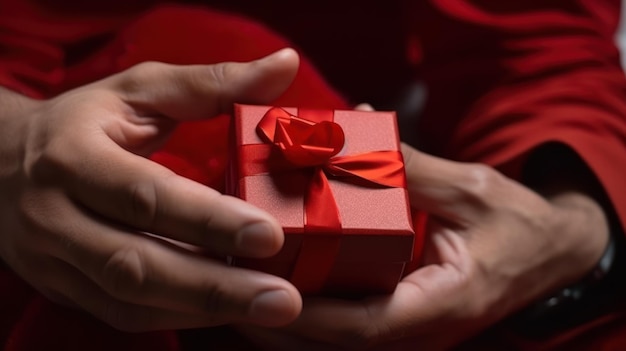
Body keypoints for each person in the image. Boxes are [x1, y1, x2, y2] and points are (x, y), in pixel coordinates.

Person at [0, 1, 625, 350]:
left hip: (415, 186)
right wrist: (12, 137)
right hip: (64, 131)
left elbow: (542, 51)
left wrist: (576, 225)